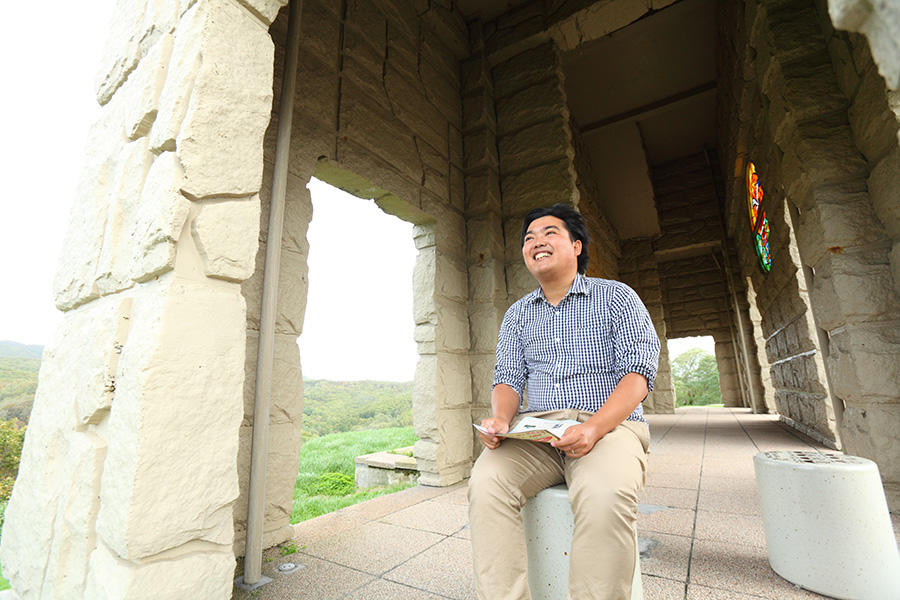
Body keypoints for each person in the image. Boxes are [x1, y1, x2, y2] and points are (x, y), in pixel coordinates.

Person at [467, 203, 660, 600]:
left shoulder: (616, 297)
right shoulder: (517, 315)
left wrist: (593, 427)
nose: (536, 241)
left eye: (549, 233)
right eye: (529, 238)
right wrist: (502, 419)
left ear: (576, 245)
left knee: (604, 495)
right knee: (486, 483)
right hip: (537, 432)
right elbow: (507, 379)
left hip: (608, 426)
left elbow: (638, 374)